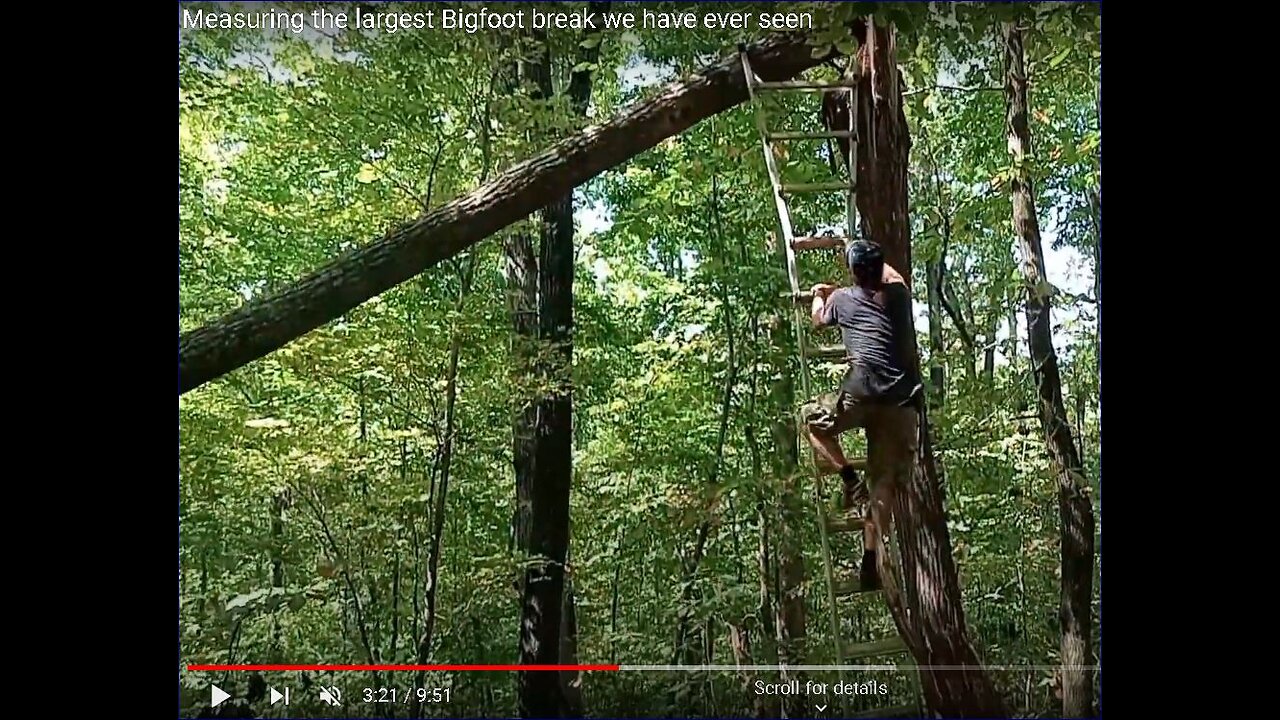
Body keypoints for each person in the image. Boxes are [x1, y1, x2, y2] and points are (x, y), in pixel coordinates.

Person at [800, 239, 922, 589]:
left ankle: (850, 480)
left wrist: (819, 294)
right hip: (899, 403)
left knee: (811, 421)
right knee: (883, 483)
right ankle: (870, 557)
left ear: (854, 272)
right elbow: (894, 276)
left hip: (861, 393)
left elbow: (817, 322)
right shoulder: (899, 296)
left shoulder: (841, 300)